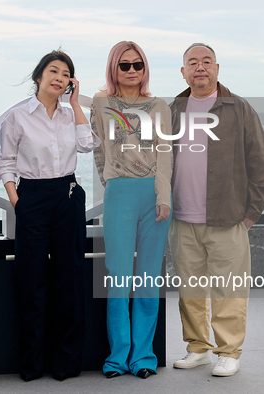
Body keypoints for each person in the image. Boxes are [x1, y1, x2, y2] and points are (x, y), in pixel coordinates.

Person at [168, 43, 264, 377]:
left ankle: (228, 351)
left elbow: (261, 164)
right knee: (190, 290)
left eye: (206, 62)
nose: (200, 68)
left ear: (217, 68)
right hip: (182, 216)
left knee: (229, 288)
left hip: (227, 216)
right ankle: (198, 348)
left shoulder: (239, 109)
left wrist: (250, 214)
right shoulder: (173, 109)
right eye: (192, 63)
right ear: (183, 71)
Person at [0, 50, 100, 382]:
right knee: (32, 280)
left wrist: (77, 104)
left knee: (69, 279)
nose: (60, 77)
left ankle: (66, 362)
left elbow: (88, 145)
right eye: (53, 71)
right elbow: (6, 162)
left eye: (66, 73)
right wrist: (17, 201)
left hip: (67, 195)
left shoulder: (72, 115)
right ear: (38, 76)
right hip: (32, 196)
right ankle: (32, 362)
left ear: (71, 82)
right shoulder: (18, 116)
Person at [91, 41, 172, 379]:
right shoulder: (101, 102)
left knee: (149, 279)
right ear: (114, 68)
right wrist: (111, 183)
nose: (132, 71)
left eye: (137, 64)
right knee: (119, 279)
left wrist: (163, 194)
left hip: (154, 193)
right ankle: (117, 358)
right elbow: (97, 148)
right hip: (120, 193)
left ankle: (143, 358)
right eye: (124, 65)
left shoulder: (158, 106)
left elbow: (166, 153)